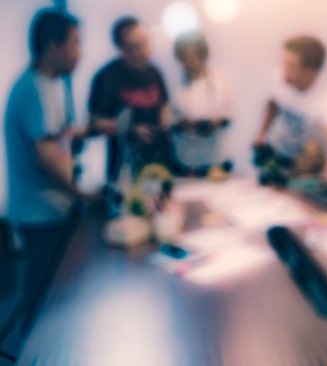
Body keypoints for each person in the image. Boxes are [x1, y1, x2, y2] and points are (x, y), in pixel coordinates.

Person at [2, 8, 88, 358]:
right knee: (43, 308)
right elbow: (46, 155)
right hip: (41, 214)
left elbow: (57, 136)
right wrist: (83, 194)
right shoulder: (32, 89)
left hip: (51, 211)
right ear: (53, 46)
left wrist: (93, 129)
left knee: (51, 300)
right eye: (74, 44)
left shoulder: (48, 83)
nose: (79, 52)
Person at [88, 16, 171, 210]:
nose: (142, 49)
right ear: (122, 48)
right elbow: (95, 122)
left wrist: (164, 126)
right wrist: (131, 130)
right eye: (135, 45)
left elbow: (164, 104)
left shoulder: (154, 73)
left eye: (144, 42)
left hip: (158, 167)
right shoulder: (107, 77)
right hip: (123, 172)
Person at [253, 35, 327, 187]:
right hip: (277, 152)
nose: (283, 72)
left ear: (311, 71)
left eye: (291, 66)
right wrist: (262, 133)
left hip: (305, 163)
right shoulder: (279, 78)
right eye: (283, 63)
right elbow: (272, 102)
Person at [170, 30, 234, 177]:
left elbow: (230, 114)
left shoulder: (221, 80)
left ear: (203, 55)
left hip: (217, 157)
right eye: (184, 58)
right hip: (187, 160)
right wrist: (186, 123)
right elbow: (170, 121)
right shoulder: (174, 84)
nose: (189, 62)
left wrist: (218, 121)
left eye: (193, 57)